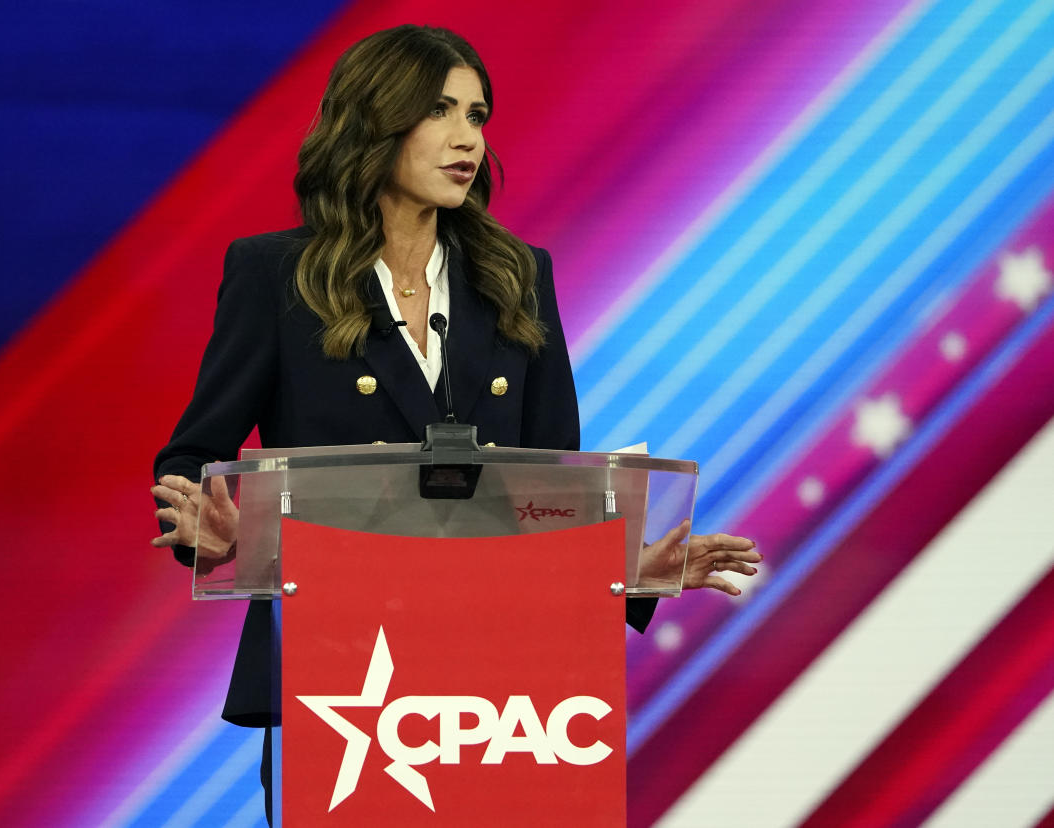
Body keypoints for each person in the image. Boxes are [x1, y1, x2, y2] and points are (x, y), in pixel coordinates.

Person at [150, 24, 760, 823]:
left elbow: (550, 489)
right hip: (343, 682)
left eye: (477, 115)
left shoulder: (517, 277)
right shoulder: (276, 275)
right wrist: (214, 529)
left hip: (503, 694)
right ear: (377, 119)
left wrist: (629, 568)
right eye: (440, 111)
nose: (466, 138)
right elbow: (196, 453)